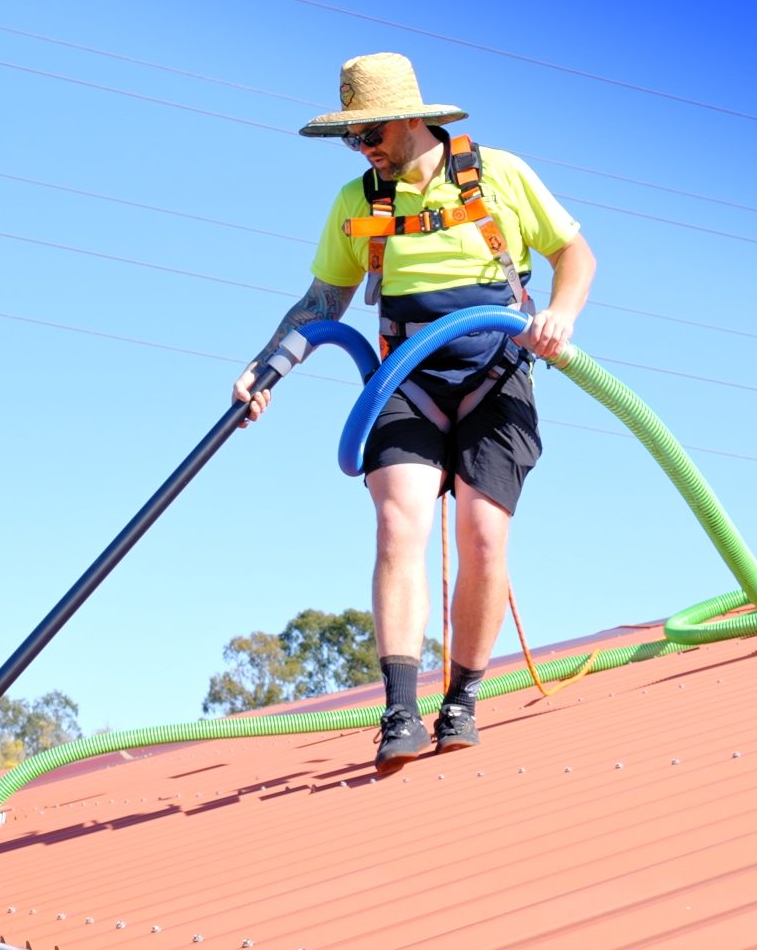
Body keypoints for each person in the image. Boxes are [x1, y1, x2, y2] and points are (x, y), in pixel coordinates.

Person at [234, 52, 597, 774]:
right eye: (351, 138)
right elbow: (321, 303)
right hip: (406, 377)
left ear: (408, 118)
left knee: (482, 532)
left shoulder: (500, 175)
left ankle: (460, 699)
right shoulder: (356, 201)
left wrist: (561, 313)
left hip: (496, 369)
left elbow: (575, 252)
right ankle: (399, 707)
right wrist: (265, 362)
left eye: (368, 132)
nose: (360, 147)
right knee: (401, 518)